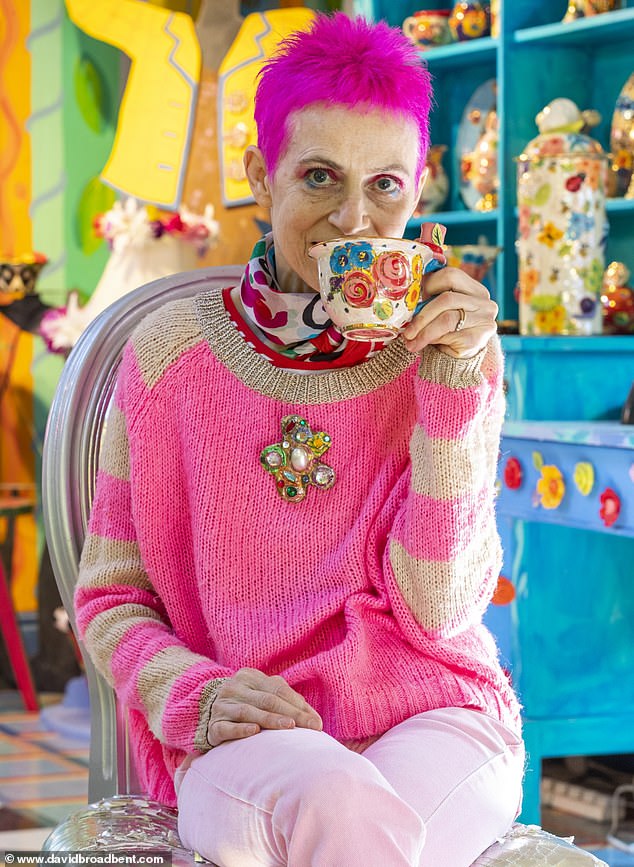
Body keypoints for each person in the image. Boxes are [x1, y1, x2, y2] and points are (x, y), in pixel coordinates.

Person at [74, 13, 524, 867]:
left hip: (439, 713)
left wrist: (457, 381)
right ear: (261, 178)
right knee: (338, 803)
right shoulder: (173, 353)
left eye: (385, 186)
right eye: (319, 176)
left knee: (360, 825)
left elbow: (439, 609)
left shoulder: (448, 346)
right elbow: (110, 597)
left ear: (417, 195)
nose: (354, 217)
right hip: (248, 731)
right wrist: (197, 695)